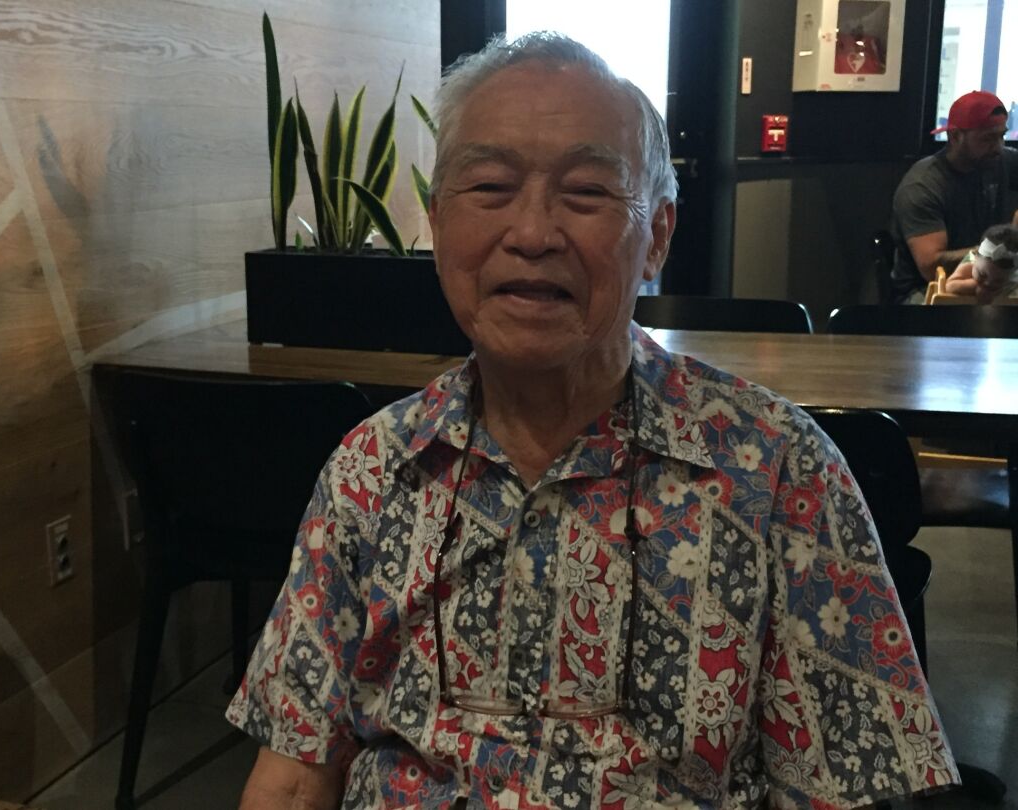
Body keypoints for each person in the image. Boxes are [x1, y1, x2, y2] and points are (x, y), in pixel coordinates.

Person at [228, 33, 958, 809]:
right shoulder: (371, 471)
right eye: (489, 186)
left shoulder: (778, 471)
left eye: (585, 193)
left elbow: (847, 787)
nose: (532, 233)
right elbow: (296, 773)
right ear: (437, 223)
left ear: (658, 237)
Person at [891, 90, 1018, 304]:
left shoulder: (1000, 161)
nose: (998, 147)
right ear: (955, 136)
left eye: (1001, 136)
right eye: (987, 138)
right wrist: (998, 252)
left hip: (990, 279)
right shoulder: (923, 185)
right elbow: (931, 268)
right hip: (925, 291)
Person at [943, 222, 1018, 302]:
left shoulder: (1014, 277)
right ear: (976, 256)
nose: (988, 283)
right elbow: (949, 286)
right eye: (982, 275)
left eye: (998, 280)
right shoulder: (969, 264)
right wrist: (975, 287)